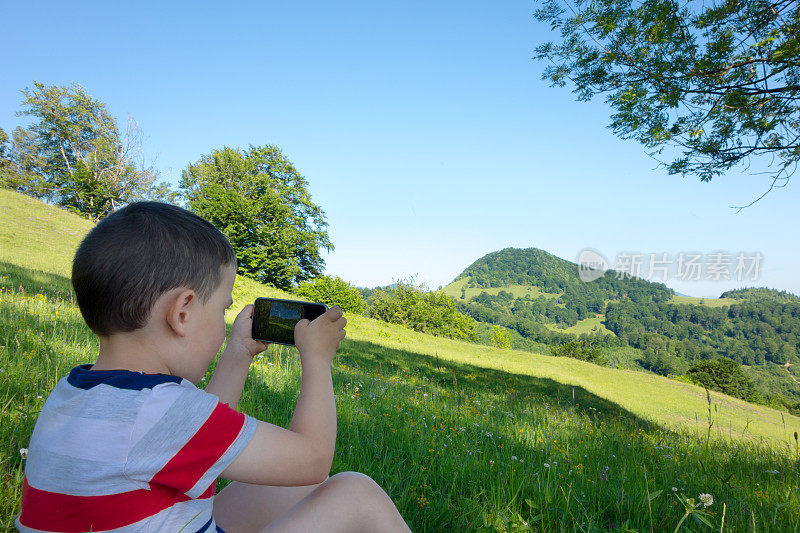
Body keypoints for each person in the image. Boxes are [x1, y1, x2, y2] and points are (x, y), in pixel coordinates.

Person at [15, 201, 411, 533]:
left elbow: (189, 434)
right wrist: (317, 359)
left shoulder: (81, 391)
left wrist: (237, 353)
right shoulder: (161, 414)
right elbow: (311, 459)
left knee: (283, 490)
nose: (224, 323)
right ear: (182, 312)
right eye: (222, 308)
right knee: (356, 492)